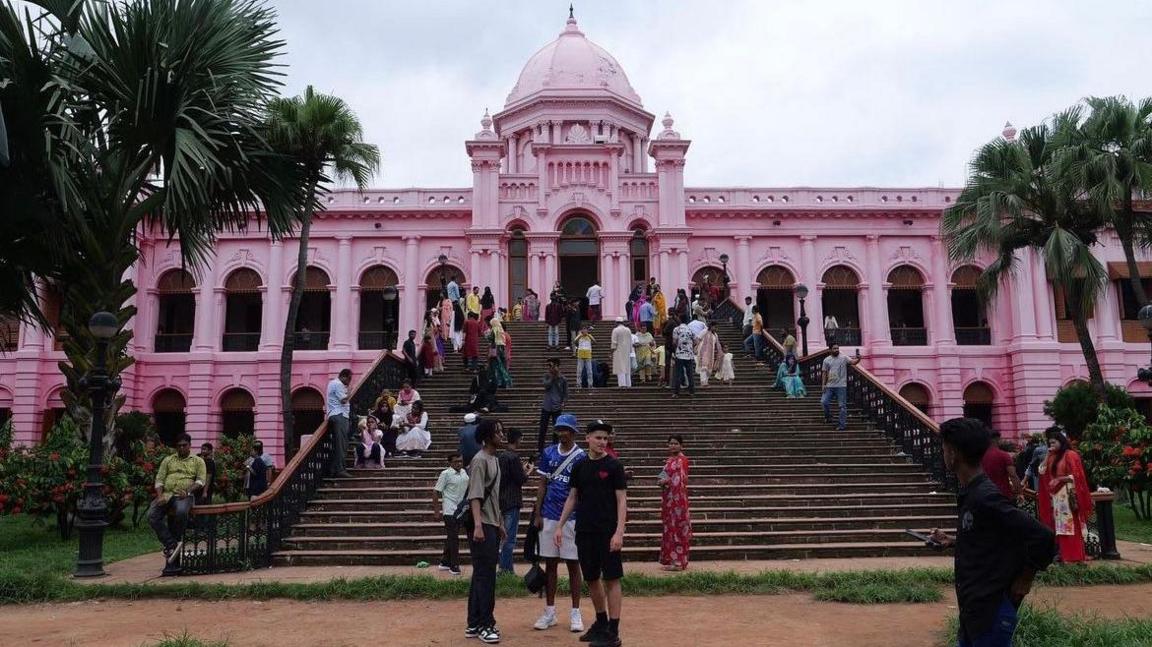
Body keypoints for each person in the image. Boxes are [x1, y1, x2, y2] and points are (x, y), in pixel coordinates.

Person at [927, 418, 1055, 647]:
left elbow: (1044, 537)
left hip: (991, 610)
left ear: (954, 454)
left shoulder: (985, 497)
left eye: (944, 448)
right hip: (973, 610)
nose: (942, 454)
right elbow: (990, 537)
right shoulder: (972, 493)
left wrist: (1025, 578)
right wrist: (954, 541)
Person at [555, 420, 627, 647]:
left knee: (612, 578)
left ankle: (613, 631)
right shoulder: (579, 466)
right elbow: (572, 497)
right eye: (598, 437)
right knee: (592, 578)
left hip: (608, 531)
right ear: (587, 438)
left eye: (605, 438)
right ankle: (601, 623)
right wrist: (559, 525)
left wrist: (619, 532)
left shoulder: (614, 466)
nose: (602, 442)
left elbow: (622, 500)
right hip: (585, 530)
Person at [533, 414, 587, 633]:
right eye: (559, 429)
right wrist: (537, 514)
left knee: (573, 565)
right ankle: (550, 611)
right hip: (549, 514)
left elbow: (583, 490)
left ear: (573, 432)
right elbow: (542, 485)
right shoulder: (548, 453)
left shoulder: (581, 457)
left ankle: (575, 612)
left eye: (565, 429)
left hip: (572, 517)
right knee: (551, 564)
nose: (561, 432)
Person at [464, 419, 506, 644]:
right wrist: (479, 525)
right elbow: (475, 496)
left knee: (481, 574)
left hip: (490, 523)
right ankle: (485, 624)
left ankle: (473, 622)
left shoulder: (495, 460)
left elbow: (494, 496)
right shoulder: (479, 461)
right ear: (487, 437)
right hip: (480, 525)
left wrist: (498, 523)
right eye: (497, 432)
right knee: (486, 576)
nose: (501, 435)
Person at [148, 433, 206, 571]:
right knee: (151, 516)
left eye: (184, 445)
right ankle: (171, 544)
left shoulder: (198, 461)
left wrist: (187, 491)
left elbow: (200, 481)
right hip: (167, 495)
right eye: (179, 446)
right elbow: (159, 479)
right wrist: (160, 495)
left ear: (190, 446)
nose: (181, 448)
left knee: (180, 512)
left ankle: (176, 539)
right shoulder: (168, 460)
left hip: (184, 495)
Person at [1037, 429, 1093, 564]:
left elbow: (1077, 476)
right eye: (1049, 443)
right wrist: (1047, 455)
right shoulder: (1052, 456)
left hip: (1068, 496)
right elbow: (1041, 471)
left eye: (1054, 442)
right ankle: (1065, 555)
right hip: (1057, 498)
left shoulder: (1071, 455)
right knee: (1061, 527)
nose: (1052, 445)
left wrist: (1061, 479)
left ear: (1061, 442)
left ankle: (1075, 556)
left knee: (1071, 526)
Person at [498, 429, 530, 575]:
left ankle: (504, 567)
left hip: (501, 499)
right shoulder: (513, 457)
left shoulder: (502, 456)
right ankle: (506, 570)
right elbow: (520, 479)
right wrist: (528, 472)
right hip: (512, 500)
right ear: (518, 439)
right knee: (509, 538)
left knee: (504, 536)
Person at [434, 453, 470, 576]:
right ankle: (454, 565)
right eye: (455, 462)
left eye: (460, 461)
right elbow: (436, 492)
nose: (459, 463)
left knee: (451, 536)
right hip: (449, 509)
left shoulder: (464, 473)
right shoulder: (445, 474)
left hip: (460, 510)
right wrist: (437, 511)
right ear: (450, 463)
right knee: (454, 537)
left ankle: (444, 562)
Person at [659, 435, 691, 571]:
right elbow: (663, 475)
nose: (673, 446)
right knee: (670, 529)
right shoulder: (669, 460)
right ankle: (671, 559)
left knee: (678, 528)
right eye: (670, 443)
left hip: (678, 501)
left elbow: (681, 479)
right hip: (669, 500)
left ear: (681, 446)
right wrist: (660, 481)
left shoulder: (682, 460)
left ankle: (678, 562)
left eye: (676, 443)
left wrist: (666, 481)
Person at [821, 345, 859, 431]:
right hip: (829, 385)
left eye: (837, 348)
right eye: (834, 348)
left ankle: (842, 425)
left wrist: (859, 359)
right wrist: (823, 385)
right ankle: (828, 416)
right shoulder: (826, 360)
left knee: (842, 406)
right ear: (830, 350)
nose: (836, 350)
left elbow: (853, 362)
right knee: (824, 402)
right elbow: (824, 373)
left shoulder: (844, 357)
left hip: (841, 386)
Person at [538, 358, 568, 458]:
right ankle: (540, 449)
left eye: (552, 366)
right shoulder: (547, 376)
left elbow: (565, 393)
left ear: (557, 366)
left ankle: (555, 448)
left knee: (556, 430)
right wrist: (552, 376)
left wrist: (563, 402)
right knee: (543, 429)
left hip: (557, 406)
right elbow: (546, 385)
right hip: (546, 406)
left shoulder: (563, 379)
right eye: (549, 366)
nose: (550, 368)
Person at [326, 368, 353, 479]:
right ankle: (340, 469)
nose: (349, 382)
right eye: (349, 379)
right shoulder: (338, 384)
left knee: (339, 444)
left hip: (335, 414)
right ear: (344, 377)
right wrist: (350, 392)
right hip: (339, 415)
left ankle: (333, 469)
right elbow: (343, 400)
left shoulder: (332, 383)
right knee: (341, 444)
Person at [981, 430, 1022, 501]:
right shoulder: (1004, 455)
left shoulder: (980, 456)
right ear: (997, 440)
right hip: (1003, 494)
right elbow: (1013, 475)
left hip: (985, 494)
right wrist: (1019, 492)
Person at [671, 317, 697, 398]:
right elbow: (696, 341)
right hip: (689, 355)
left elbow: (674, 342)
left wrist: (677, 347)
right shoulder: (690, 329)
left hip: (679, 354)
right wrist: (690, 347)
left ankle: (676, 393)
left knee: (678, 374)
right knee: (690, 374)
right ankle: (691, 392)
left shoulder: (676, 329)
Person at [694, 321, 722, 387]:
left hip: (711, 353)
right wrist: (696, 347)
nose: (715, 328)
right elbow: (697, 339)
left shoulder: (715, 335)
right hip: (703, 352)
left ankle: (705, 382)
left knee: (709, 369)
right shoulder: (704, 331)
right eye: (714, 326)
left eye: (716, 327)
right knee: (704, 367)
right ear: (711, 326)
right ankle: (703, 382)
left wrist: (719, 352)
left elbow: (717, 344)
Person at [610, 317, 632, 388]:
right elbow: (630, 341)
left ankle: (622, 384)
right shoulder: (628, 330)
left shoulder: (615, 330)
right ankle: (628, 384)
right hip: (627, 351)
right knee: (627, 367)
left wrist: (612, 351)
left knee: (620, 367)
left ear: (616, 323)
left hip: (618, 351)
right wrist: (630, 350)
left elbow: (614, 342)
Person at [661, 308, 678, 386]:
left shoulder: (670, 322)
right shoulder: (677, 322)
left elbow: (664, 332)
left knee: (667, 363)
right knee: (678, 362)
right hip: (676, 344)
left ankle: (667, 381)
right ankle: (679, 380)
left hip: (669, 344)